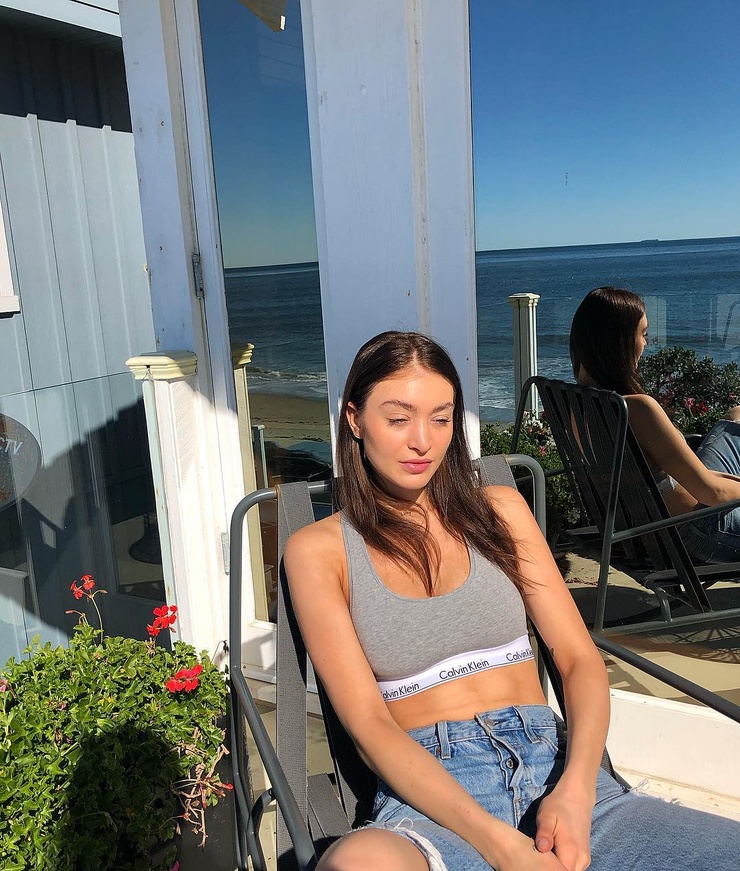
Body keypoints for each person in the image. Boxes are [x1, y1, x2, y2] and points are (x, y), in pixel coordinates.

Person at [284, 330, 740, 871]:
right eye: (399, 418)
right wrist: (501, 846)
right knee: (356, 864)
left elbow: (579, 661)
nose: (423, 441)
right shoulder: (319, 551)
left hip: (556, 773)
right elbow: (369, 727)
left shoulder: (499, 511)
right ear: (356, 420)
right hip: (433, 800)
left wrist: (577, 789)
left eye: (441, 418)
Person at [570, 286, 740, 564]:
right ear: (618, 342)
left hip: (647, 530)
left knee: (736, 415)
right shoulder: (636, 409)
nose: (646, 344)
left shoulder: (578, 404)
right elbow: (713, 493)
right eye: (643, 334)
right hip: (697, 530)